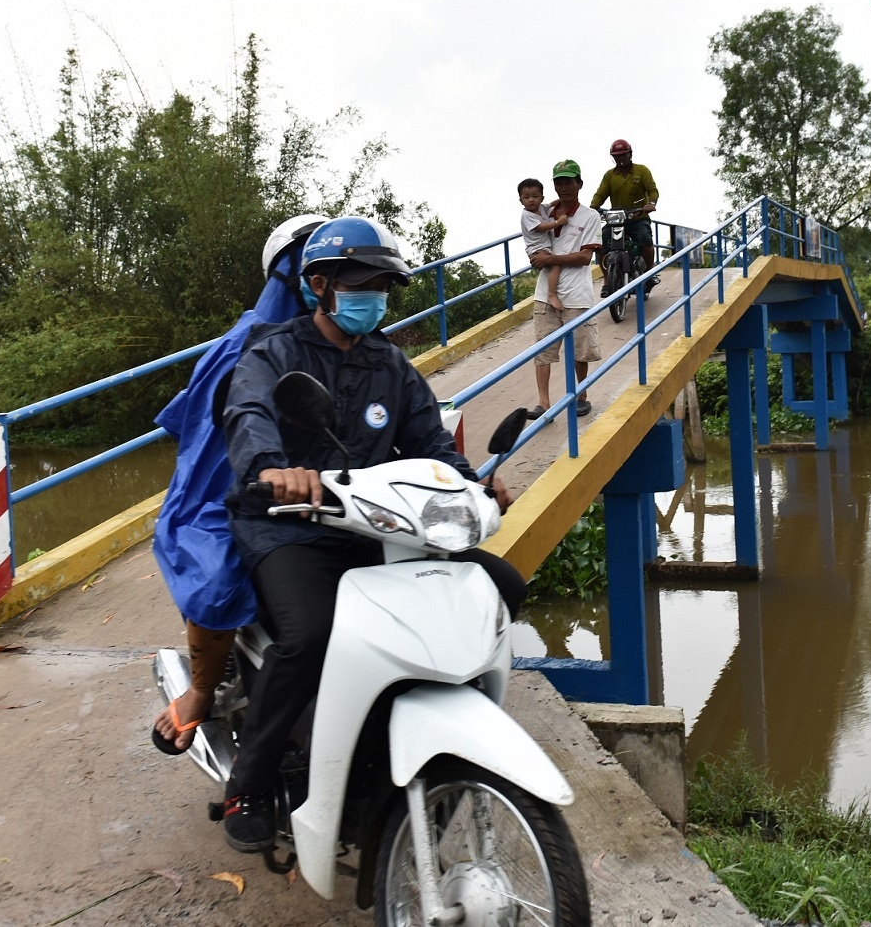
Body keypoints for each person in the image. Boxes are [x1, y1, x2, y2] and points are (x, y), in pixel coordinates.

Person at [216, 216, 527, 853]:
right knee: (309, 634)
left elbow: (430, 440)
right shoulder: (275, 352)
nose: (375, 296)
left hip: (375, 525)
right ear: (320, 285)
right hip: (290, 527)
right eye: (362, 283)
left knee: (501, 584)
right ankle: (247, 785)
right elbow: (248, 411)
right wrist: (273, 470)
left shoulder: (389, 363)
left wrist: (473, 484)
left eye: (383, 285)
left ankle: (411, 728)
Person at [150, 213, 327, 755]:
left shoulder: (351, 343)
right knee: (217, 569)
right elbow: (204, 440)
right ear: (293, 273)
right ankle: (203, 689)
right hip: (232, 488)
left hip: (325, 494)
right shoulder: (245, 347)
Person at [529, 159, 603, 416]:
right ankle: (543, 403)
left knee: (579, 350)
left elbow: (585, 258)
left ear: (579, 184)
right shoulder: (543, 213)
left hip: (576, 294)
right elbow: (531, 239)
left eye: (568, 182)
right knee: (543, 350)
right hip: (544, 294)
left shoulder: (590, 216)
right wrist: (536, 257)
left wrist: (549, 259)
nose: (563, 187)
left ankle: (581, 395)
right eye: (559, 183)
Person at [589, 138, 661, 295]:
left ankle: (650, 273)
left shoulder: (642, 171)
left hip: (638, 217)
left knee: (645, 237)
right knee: (600, 242)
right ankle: (607, 279)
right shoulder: (609, 175)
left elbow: (652, 190)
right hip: (617, 219)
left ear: (630, 154)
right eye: (617, 156)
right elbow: (600, 194)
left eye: (623, 155)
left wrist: (651, 204)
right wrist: (592, 208)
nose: (620, 158)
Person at [519, 176, 567, 313]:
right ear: (521, 200)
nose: (531, 200)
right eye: (526, 197)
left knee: (553, 265)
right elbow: (540, 227)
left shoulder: (541, 208)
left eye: (535, 196)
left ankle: (552, 293)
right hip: (536, 249)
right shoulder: (527, 215)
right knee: (556, 265)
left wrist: (563, 199)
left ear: (541, 198)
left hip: (544, 247)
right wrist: (558, 222)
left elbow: (551, 204)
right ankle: (551, 295)